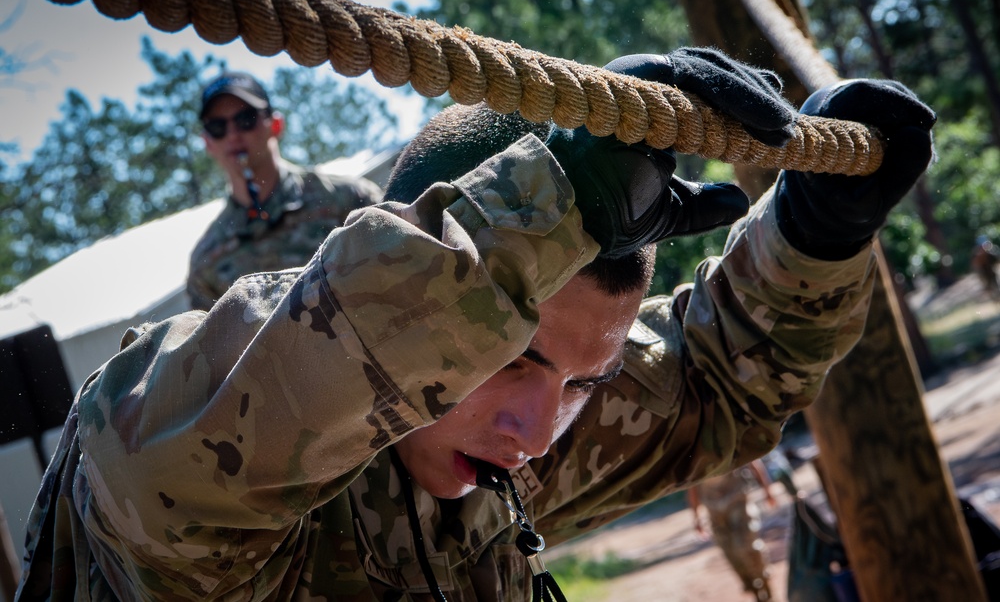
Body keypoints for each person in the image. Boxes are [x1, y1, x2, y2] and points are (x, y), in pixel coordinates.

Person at [15, 48, 936, 601]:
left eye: (582, 384)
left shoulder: (493, 448)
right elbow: (168, 466)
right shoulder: (185, 461)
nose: (536, 433)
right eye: (509, 358)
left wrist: (815, 234)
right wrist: (550, 198)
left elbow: (722, 379)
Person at [186, 71, 384, 311]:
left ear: (276, 124)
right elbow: (217, 345)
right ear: (207, 142)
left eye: (245, 119)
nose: (233, 134)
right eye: (218, 126)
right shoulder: (207, 263)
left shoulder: (349, 199)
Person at [689, 461, 777, 601]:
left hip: (737, 500)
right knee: (729, 551)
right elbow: (691, 484)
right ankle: (751, 586)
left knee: (746, 544)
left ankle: (763, 579)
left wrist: (767, 490)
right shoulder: (693, 455)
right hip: (714, 509)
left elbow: (753, 461)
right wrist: (696, 516)